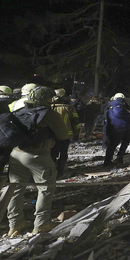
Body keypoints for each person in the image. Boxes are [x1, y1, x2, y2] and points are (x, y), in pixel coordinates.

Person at [7, 86, 68, 237]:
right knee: (45, 189)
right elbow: (63, 135)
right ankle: (41, 224)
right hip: (37, 155)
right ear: (48, 99)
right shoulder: (48, 113)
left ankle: (14, 224)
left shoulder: (19, 109)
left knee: (15, 189)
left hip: (15, 154)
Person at [50, 88, 80, 177]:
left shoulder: (49, 108)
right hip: (66, 135)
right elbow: (75, 122)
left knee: (52, 154)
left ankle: (51, 172)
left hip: (52, 135)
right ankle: (60, 172)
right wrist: (76, 132)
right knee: (63, 154)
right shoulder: (70, 108)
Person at [102, 93, 130, 166]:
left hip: (120, 128)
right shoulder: (117, 105)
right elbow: (118, 113)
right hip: (118, 128)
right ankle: (109, 161)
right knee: (113, 144)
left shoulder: (113, 105)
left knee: (122, 142)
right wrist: (128, 115)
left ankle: (118, 157)